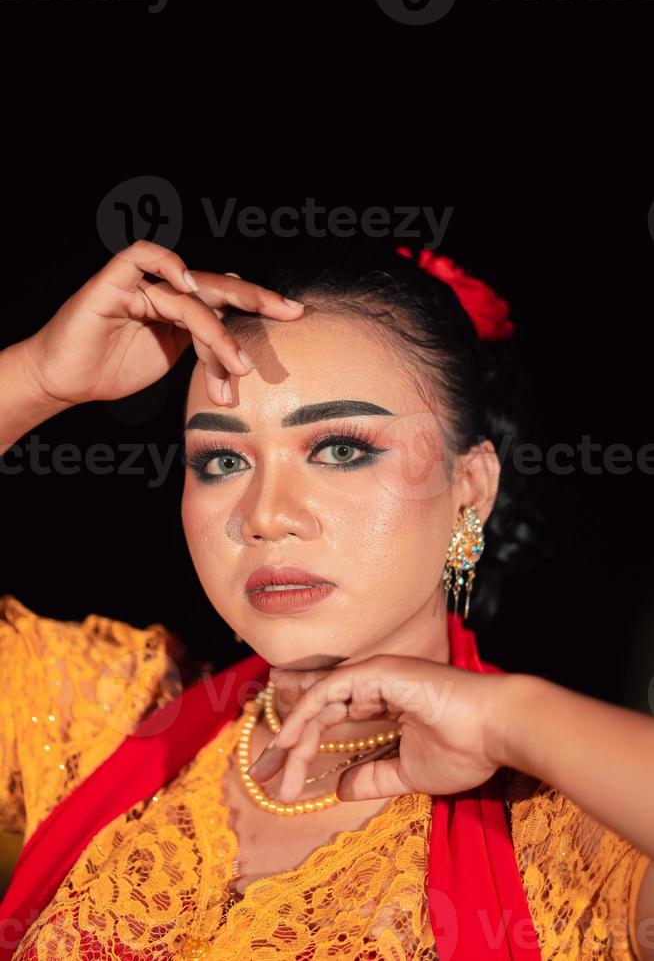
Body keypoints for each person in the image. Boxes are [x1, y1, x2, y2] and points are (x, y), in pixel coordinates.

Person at [0, 236, 652, 960]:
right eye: (221, 460)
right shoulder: (106, 715)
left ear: (470, 490)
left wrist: (514, 718)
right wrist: (34, 377)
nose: (266, 514)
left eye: (340, 449)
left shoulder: (573, 833)